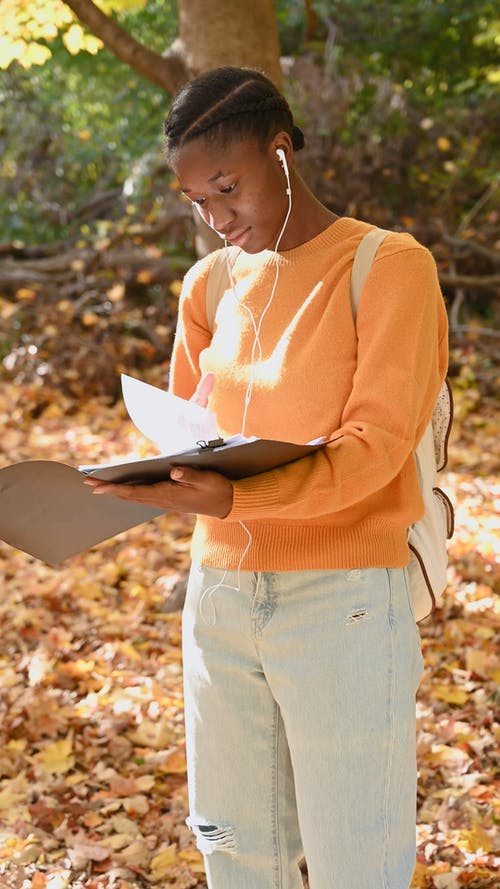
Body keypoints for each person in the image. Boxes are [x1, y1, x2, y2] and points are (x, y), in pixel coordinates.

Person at [85, 66, 449, 888]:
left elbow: (377, 444)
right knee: (237, 853)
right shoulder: (208, 284)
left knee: (357, 857)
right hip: (220, 595)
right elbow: (183, 431)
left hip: (345, 599)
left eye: (228, 187)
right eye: (198, 203)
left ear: (280, 151)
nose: (218, 219)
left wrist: (242, 492)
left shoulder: (387, 266)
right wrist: (158, 480)